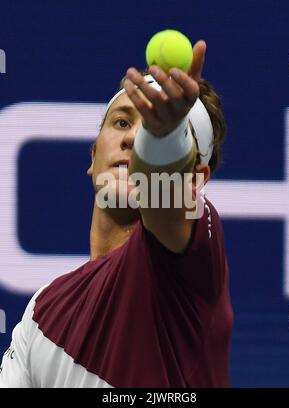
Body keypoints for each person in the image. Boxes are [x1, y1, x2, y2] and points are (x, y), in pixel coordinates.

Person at [0, 40, 233, 388]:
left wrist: (163, 140)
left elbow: (163, 196)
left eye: (154, 128)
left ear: (196, 181)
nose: (134, 139)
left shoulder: (192, 268)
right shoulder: (41, 312)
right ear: (93, 157)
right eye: (122, 122)